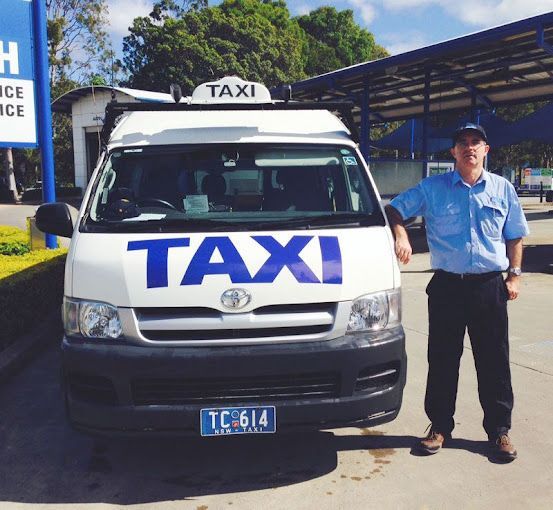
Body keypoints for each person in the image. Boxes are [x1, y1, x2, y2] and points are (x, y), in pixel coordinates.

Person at [385, 123, 529, 462]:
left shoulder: (502, 189)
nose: (469, 147)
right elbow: (394, 209)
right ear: (452, 152)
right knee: (443, 359)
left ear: (486, 149)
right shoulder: (432, 188)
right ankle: (439, 427)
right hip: (448, 285)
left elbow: (515, 235)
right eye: (462, 142)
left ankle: (499, 432)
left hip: (488, 286)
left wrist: (515, 275)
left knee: (494, 361)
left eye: (476, 142)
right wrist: (401, 235)